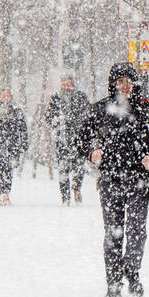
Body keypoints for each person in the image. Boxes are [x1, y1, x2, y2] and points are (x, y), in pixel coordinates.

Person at [78, 61, 149, 297]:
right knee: (113, 233)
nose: (125, 86)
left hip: (138, 182)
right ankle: (113, 282)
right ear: (113, 84)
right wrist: (92, 153)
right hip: (111, 180)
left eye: (128, 81)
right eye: (120, 81)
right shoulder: (100, 109)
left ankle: (132, 270)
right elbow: (81, 138)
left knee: (137, 231)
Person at [44, 75, 92, 205]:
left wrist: (82, 125)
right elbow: (49, 116)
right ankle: (65, 196)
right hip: (62, 138)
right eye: (64, 84)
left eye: (69, 84)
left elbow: (88, 114)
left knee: (78, 166)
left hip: (78, 137)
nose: (66, 87)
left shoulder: (81, 96)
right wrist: (57, 123)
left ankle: (76, 188)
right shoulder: (56, 98)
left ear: (73, 83)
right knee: (63, 168)